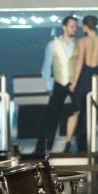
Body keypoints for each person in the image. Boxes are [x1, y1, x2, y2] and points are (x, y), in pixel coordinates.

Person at [34, 15, 79, 154]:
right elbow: (46, 67)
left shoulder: (79, 44)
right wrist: (48, 86)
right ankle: (43, 148)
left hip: (75, 83)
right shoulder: (53, 45)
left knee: (81, 114)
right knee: (51, 116)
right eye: (72, 26)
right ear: (64, 27)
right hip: (60, 82)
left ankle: (82, 146)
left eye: (76, 26)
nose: (75, 29)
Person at [68, 15, 98, 152]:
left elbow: (80, 62)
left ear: (85, 26)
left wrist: (74, 82)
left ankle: (68, 143)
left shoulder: (82, 41)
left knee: (76, 111)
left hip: (84, 77)